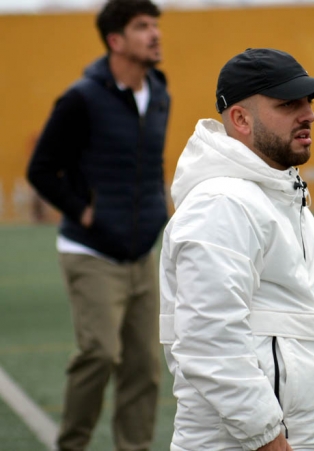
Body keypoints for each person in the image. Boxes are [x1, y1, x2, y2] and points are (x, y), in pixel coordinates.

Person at [159, 48, 314, 451]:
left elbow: (311, 334)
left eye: (309, 102)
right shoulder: (222, 204)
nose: (309, 114)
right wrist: (270, 441)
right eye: (288, 104)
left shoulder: (284, 194)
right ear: (241, 119)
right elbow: (209, 342)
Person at [26, 0, 170, 449]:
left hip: (142, 251)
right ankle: (72, 444)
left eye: (155, 25)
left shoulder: (160, 90)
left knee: (145, 366)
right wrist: (84, 212)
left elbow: (148, 163)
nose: (155, 34)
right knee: (101, 354)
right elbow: (41, 168)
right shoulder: (82, 98)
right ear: (115, 40)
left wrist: (158, 209)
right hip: (90, 251)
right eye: (142, 26)